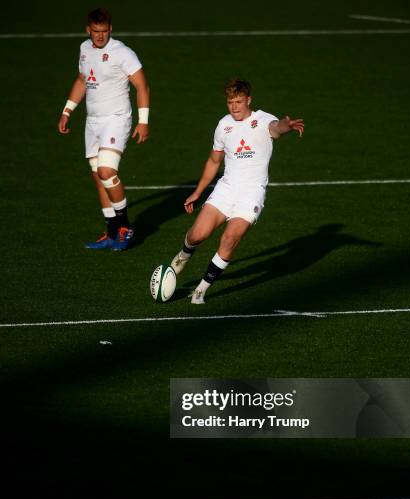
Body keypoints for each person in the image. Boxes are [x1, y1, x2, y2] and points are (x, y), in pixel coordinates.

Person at [170, 78, 304, 303]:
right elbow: (214, 161)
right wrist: (198, 191)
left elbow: (276, 128)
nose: (234, 107)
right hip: (226, 189)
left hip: (251, 193)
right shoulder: (224, 125)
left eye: (239, 102)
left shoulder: (263, 120)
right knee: (197, 235)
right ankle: (183, 256)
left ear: (249, 100)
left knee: (230, 238)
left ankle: (201, 290)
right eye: (230, 102)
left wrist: (286, 126)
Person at [58, 7, 150, 251]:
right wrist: (67, 111)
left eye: (104, 31)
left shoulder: (122, 53)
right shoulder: (84, 49)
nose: (99, 36)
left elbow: (142, 85)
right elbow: (82, 80)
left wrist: (143, 121)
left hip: (116, 119)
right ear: (88, 30)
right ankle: (111, 232)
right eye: (95, 31)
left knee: (107, 170)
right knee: (98, 177)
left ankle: (124, 226)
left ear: (111, 29)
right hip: (93, 121)